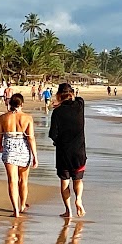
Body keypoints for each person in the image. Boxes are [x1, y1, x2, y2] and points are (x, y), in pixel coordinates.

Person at [48, 82, 88, 218]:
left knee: (64, 181)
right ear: (72, 94)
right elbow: (78, 98)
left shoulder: (57, 112)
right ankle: (79, 200)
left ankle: (68, 211)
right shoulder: (79, 106)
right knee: (78, 179)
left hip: (63, 151)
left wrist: (57, 142)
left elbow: (53, 134)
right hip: (79, 151)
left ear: (58, 95)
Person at [0, 91, 37, 218]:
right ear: (22, 104)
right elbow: (31, 138)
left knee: (12, 181)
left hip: (9, 149)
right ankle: (22, 204)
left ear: (10, 103)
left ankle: (16, 210)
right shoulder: (27, 118)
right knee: (23, 181)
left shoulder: (3, 117)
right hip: (23, 150)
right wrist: (35, 156)